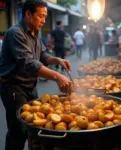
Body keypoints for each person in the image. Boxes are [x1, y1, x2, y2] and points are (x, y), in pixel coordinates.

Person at [0, 1, 72, 150]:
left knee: (34, 125)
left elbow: (42, 55)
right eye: (40, 16)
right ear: (28, 14)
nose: (44, 20)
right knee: (18, 130)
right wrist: (57, 76)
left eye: (45, 16)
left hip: (30, 86)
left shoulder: (35, 32)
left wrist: (56, 59)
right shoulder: (15, 33)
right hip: (13, 87)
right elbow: (29, 64)